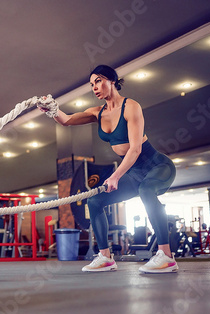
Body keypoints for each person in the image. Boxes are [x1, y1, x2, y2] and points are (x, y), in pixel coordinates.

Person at [40, 65, 178, 273]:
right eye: (92, 84)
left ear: (112, 80)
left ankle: (167, 256)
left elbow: (135, 149)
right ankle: (105, 257)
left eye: (98, 81)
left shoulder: (131, 106)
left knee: (146, 191)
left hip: (157, 166)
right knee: (95, 201)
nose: (94, 87)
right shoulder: (97, 113)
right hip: (134, 173)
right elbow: (66, 120)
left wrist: (115, 176)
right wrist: (52, 109)